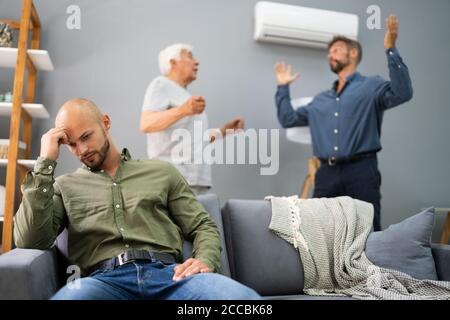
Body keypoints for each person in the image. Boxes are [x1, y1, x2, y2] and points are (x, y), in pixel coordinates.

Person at [13, 98, 260, 300]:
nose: (82, 150)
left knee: (244, 301)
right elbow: (29, 239)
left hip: (170, 278)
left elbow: (202, 226)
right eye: (72, 144)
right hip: (102, 284)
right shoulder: (64, 186)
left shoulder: (162, 172)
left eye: (86, 137)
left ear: (106, 122)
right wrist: (46, 162)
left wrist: (204, 260)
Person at [274, 15, 413, 231]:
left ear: (353, 53)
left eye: (337, 49)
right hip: (325, 174)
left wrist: (391, 49)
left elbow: (402, 92)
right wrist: (282, 87)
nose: (331, 54)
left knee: (367, 231)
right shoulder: (320, 101)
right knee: (316, 231)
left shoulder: (371, 86)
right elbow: (288, 119)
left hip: (362, 171)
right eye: (329, 52)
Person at [140, 43, 244, 195]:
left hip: (196, 181)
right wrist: (183, 110)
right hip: (173, 179)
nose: (197, 62)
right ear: (172, 62)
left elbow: (196, 140)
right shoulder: (161, 84)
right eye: (189, 56)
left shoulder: (185, 96)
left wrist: (224, 131)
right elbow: (146, 123)